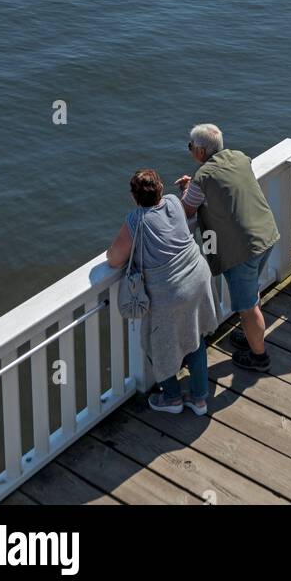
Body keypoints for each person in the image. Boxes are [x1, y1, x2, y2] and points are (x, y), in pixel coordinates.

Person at [107, 168, 218, 416]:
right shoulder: (172, 203)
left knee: (158, 344)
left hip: (171, 291)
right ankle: (200, 400)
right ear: (160, 190)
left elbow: (114, 259)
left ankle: (172, 398)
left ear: (134, 197)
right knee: (195, 335)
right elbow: (182, 215)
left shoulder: (136, 220)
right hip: (198, 277)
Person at [177, 124, 280, 373]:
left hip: (242, 250)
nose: (190, 151)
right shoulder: (239, 158)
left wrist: (186, 190)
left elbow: (186, 211)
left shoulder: (202, 178)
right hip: (266, 234)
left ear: (201, 151)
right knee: (251, 293)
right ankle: (251, 335)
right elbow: (225, 185)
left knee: (247, 306)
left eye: (191, 147)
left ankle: (259, 357)